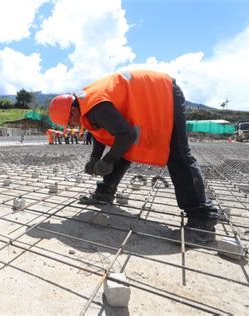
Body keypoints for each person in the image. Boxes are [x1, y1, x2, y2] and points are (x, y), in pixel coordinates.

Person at [49, 69, 219, 245]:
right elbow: (99, 130)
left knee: (178, 154)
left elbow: (126, 134)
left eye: (70, 123)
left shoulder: (95, 105)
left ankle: (202, 222)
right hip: (149, 98)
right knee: (122, 149)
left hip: (165, 95)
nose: (73, 127)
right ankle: (105, 193)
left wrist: (107, 160)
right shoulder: (88, 103)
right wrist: (94, 159)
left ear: (73, 111)